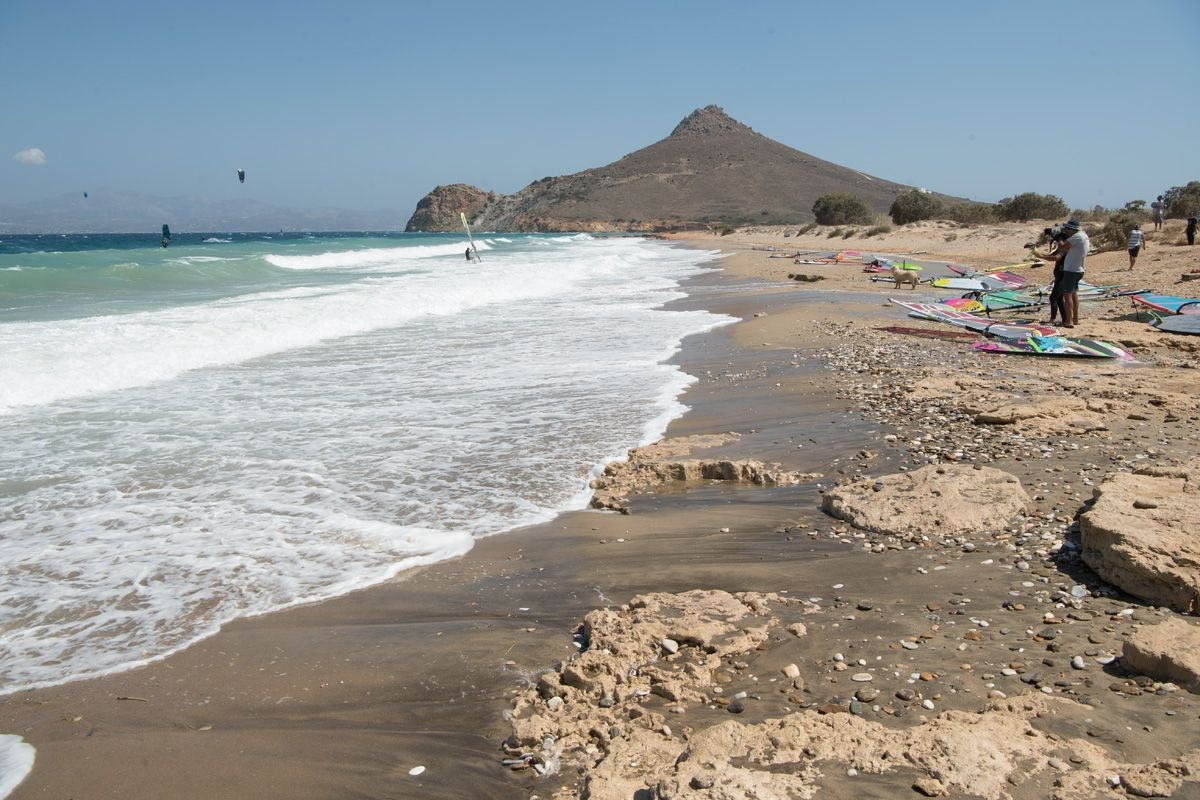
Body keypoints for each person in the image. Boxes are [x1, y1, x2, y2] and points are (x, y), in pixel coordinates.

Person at [1033, 219, 1087, 328]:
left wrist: (1058, 237)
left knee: (1065, 296)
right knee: (1071, 295)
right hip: (1076, 269)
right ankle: (1073, 319)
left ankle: (1068, 321)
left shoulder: (1073, 239)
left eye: (1067, 229)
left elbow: (1060, 252)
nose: (1065, 230)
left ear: (1072, 230)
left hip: (1070, 271)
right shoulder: (1081, 236)